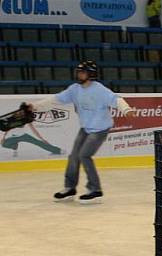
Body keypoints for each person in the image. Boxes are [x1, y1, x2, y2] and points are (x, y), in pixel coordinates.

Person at [26, 61, 132, 204]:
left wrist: (126, 110)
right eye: (78, 72)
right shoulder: (74, 89)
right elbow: (56, 99)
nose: (79, 74)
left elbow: (116, 99)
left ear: (91, 74)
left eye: (82, 72)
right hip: (86, 128)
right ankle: (70, 188)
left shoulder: (99, 90)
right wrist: (36, 106)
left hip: (100, 129)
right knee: (74, 156)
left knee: (84, 155)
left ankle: (95, 190)